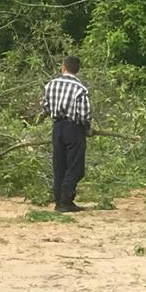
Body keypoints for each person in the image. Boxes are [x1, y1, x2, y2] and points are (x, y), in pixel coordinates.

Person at [42, 55, 92, 213]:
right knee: (76, 167)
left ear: (63, 67)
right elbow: (84, 114)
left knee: (59, 164)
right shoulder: (81, 90)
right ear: (77, 70)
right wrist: (87, 128)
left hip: (57, 127)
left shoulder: (51, 85)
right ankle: (66, 199)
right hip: (73, 128)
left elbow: (45, 106)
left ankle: (59, 200)